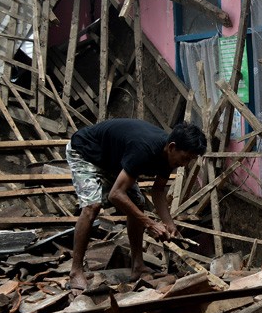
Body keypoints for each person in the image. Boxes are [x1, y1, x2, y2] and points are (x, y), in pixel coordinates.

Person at [65, 119, 206, 293]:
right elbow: (116, 194)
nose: (185, 164)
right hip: (85, 151)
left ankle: (137, 266)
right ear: (172, 147)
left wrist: (169, 223)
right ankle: (75, 271)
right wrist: (150, 224)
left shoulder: (169, 157)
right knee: (92, 206)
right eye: (185, 158)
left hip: (112, 160)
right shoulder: (144, 149)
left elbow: (158, 191)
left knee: (138, 202)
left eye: (190, 160)